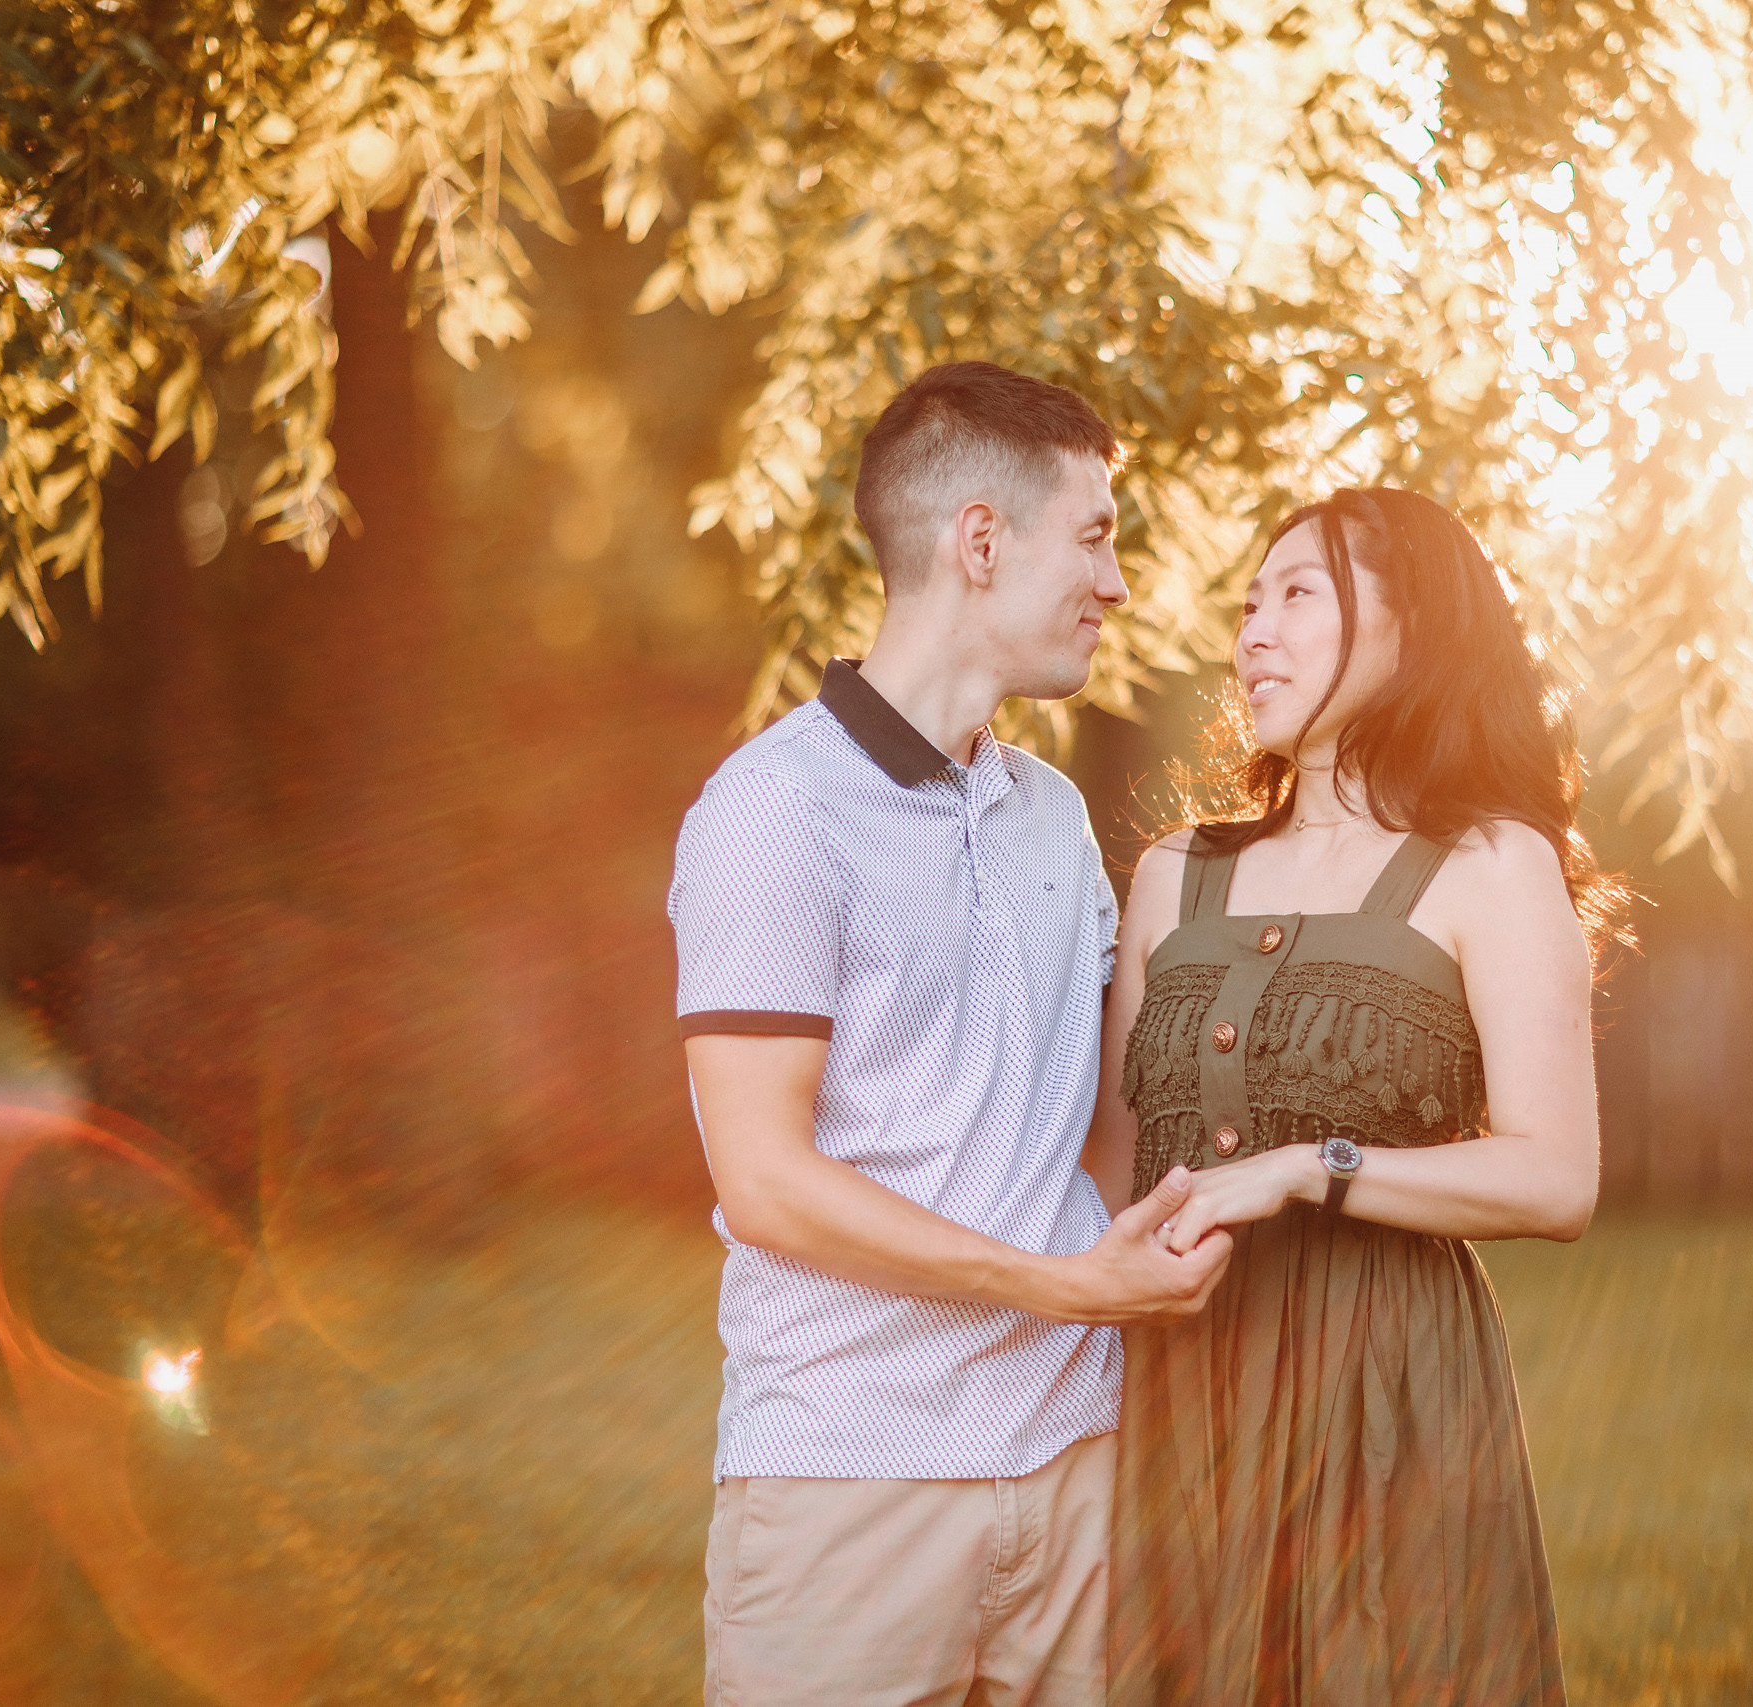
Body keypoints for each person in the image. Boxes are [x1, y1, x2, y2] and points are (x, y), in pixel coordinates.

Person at [668, 360, 1233, 1707]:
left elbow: (1094, 1106)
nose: (1117, 581)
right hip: (849, 1480)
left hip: (1073, 1469)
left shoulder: (1050, 815)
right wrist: (1062, 1286)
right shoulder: (774, 811)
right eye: (1094, 536)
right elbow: (766, 1178)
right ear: (980, 540)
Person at [1087, 487, 1617, 1705]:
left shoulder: (1492, 864)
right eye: (1247, 604)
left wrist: (1304, 1167)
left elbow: (1554, 1176)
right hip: (1183, 1384)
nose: (1251, 635)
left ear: (1410, 627)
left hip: (1387, 1390)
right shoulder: (1175, 874)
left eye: (1296, 595)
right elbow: (1113, 1154)